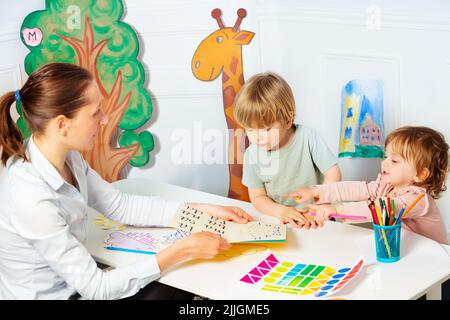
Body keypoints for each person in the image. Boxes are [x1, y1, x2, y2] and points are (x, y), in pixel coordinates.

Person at [0, 62, 253, 300]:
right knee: (176, 281)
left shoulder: (69, 158)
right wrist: (182, 249)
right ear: (63, 125)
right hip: (69, 294)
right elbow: (96, 288)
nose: (105, 120)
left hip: (77, 285)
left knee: (176, 279)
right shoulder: (30, 197)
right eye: (95, 112)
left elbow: (121, 206)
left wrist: (203, 211)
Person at [289, 126, 449, 244]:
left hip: (437, 264)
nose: (384, 163)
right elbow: (356, 189)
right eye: (386, 156)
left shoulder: (418, 199)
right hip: (407, 253)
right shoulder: (387, 185)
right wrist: (317, 192)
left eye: (394, 161)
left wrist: (337, 210)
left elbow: (380, 209)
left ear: (420, 174)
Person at [233, 71, 341, 229]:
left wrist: (321, 205)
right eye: (250, 130)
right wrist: (282, 212)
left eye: (266, 130)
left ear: (287, 120)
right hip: (283, 221)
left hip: (320, 218)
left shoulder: (307, 137)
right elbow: (257, 197)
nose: (257, 138)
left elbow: (333, 173)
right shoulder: (252, 155)